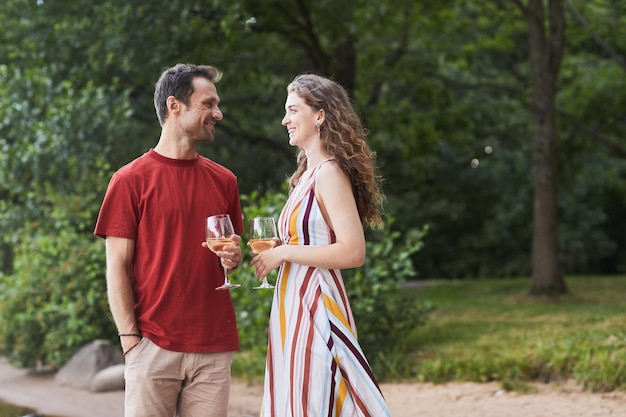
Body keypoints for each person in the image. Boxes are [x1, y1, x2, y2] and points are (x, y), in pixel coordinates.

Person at [94, 63, 244, 417]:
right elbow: (117, 266)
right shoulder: (129, 180)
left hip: (214, 346)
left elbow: (232, 253)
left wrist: (233, 258)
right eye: (208, 104)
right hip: (152, 346)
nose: (218, 114)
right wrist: (131, 342)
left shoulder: (225, 181)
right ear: (175, 106)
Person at [249, 74, 391, 417]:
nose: (285, 119)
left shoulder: (328, 173)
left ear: (320, 115)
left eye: (293, 110)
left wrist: (283, 252)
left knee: (317, 400)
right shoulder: (304, 177)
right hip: (292, 304)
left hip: (317, 304)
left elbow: (352, 251)